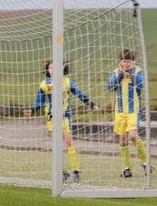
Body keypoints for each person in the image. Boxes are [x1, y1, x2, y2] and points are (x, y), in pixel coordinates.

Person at [23, 61, 98, 183]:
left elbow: (79, 94)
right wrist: (31, 110)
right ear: (47, 70)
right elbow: (39, 102)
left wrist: (91, 104)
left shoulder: (67, 82)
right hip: (52, 117)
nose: (53, 69)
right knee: (56, 144)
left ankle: (76, 170)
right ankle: (62, 172)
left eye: (55, 67)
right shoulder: (44, 84)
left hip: (65, 116)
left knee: (68, 141)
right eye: (50, 67)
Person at [107, 49, 148, 178]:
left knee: (133, 135)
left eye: (128, 61)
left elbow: (141, 85)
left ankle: (145, 162)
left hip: (133, 110)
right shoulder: (116, 72)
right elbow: (110, 87)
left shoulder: (138, 71)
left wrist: (130, 73)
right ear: (120, 61)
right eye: (124, 61)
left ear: (133, 62)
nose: (126, 63)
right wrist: (120, 74)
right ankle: (127, 168)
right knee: (122, 138)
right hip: (119, 112)